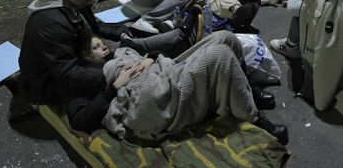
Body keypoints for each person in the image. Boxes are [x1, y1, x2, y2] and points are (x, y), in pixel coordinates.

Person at [18, 0, 205, 121]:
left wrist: (121, 33)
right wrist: (114, 75)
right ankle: (178, 44)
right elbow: (68, 75)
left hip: (83, 56)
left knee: (132, 48)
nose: (89, 1)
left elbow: (96, 26)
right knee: (131, 73)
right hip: (48, 84)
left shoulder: (72, 2)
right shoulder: (50, 22)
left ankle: (178, 41)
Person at [64, 31, 287, 145]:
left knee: (225, 37)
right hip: (157, 96)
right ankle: (256, 119)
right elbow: (80, 120)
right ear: (85, 56)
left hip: (165, 71)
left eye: (102, 43)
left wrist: (149, 59)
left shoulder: (118, 53)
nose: (103, 46)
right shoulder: (87, 78)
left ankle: (250, 91)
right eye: (96, 47)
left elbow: (147, 57)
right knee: (219, 56)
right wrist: (115, 87)